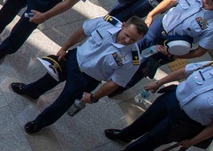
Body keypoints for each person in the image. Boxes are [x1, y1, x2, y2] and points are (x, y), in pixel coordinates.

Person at [13, 15, 148, 134]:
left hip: (87, 79)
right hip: (73, 59)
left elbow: (115, 83)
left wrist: (94, 97)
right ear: (123, 25)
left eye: (133, 40)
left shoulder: (133, 59)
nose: (127, 41)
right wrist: (64, 48)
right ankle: (31, 91)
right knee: (50, 77)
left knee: (63, 102)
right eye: (127, 35)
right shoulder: (106, 23)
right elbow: (83, 31)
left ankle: (40, 122)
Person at [105, 59, 213, 151]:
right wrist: (158, 83)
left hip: (184, 121)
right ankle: (125, 135)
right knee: (145, 120)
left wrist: (192, 141)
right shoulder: (210, 66)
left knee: (153, 138)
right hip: (170, 100)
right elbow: (183, 73)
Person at [117, 0, 213, 92]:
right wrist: (151, 15)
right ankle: (111, 69)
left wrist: (175, 55)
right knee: (130, 49)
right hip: (157, 28)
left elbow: (200, 51)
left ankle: (119, 87)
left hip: (169, 46)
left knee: (142, 68)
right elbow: (171, 1)